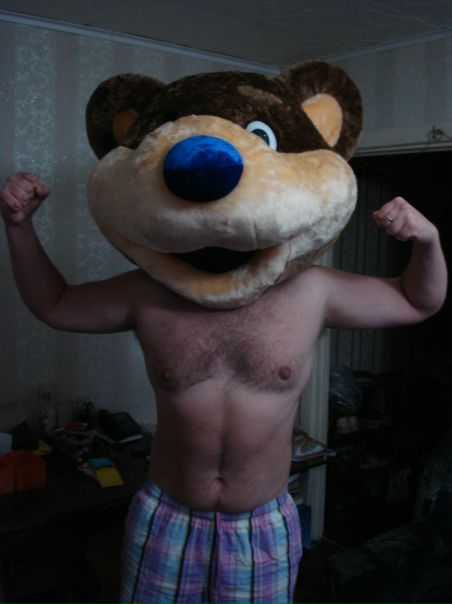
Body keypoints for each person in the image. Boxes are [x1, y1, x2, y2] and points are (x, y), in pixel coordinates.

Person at [1, 172, 448, 604]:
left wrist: (428, 240)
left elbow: (418, 300)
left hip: (260, 525)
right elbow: (54, 302)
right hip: (167, 516)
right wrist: (18, 226)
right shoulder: (149, 290)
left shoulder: (313, 289)